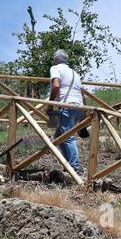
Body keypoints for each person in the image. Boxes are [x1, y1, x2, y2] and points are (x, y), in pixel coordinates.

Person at [49, 49, 85, 177]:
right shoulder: (74, 72)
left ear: (55, 60)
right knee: (59, 138)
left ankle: (74, 168)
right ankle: (69, 165)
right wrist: (84, 112)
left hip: (67, 105)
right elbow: (82, 93)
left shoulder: (55, 68)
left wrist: (50, 102)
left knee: (68, 137)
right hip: (78, 106)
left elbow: (56, 86)